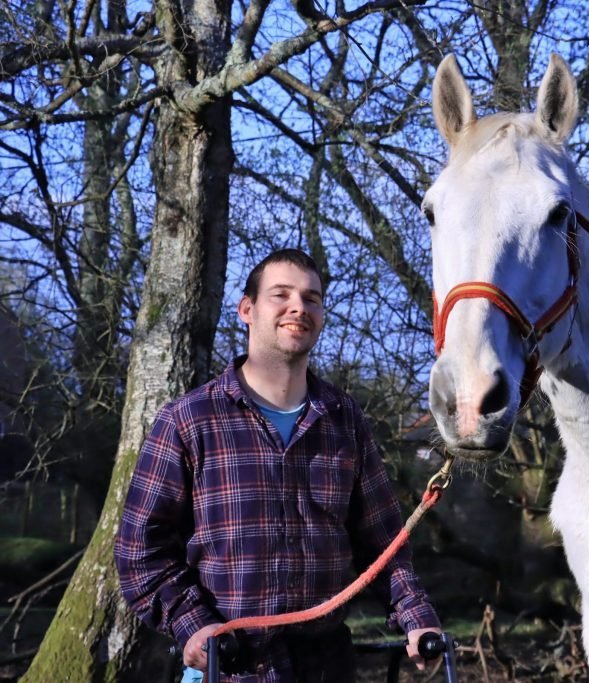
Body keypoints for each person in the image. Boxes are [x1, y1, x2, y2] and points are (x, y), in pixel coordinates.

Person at [115, 249, 441, 682]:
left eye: (311, 298)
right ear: (246, 309)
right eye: (281, 295)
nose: (298, 308)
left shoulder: (344, 421)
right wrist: (192, 624)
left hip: (328, 668)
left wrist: (416, 615)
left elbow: (384, 547)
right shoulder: (189, 420)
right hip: (229, 669)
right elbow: (140, 551)